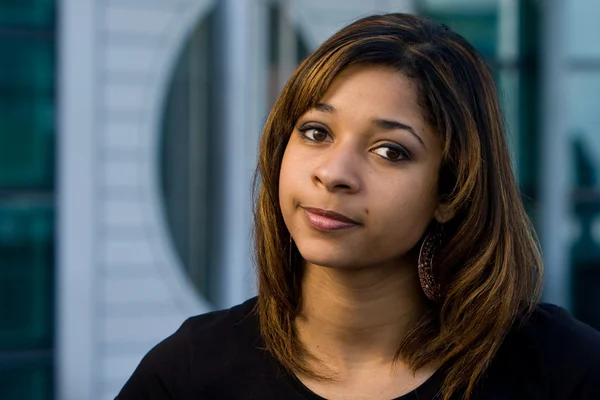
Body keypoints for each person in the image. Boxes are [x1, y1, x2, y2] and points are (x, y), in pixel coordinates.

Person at [116, 13, 600, 400]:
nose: (334, 173)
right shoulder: (189, 374)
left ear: (451, 193)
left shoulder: (560, 369)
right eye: (316, 132)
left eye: (390, 151)